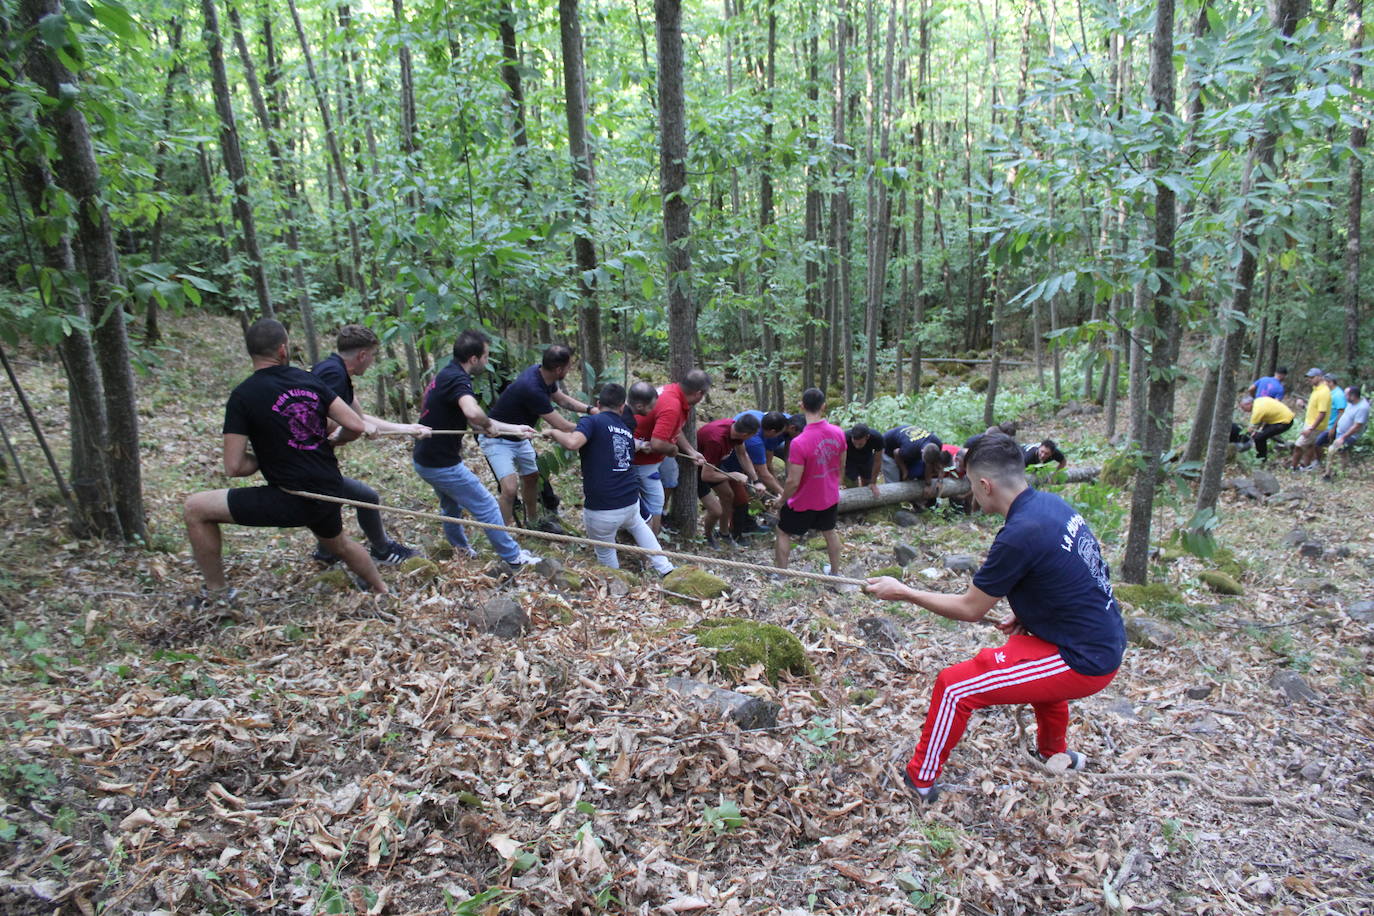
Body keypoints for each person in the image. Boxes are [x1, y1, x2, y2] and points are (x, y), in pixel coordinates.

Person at [865, 433, 1125, 803]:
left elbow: (970, 609)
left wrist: (904, 591)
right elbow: (1072, 570)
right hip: (1099, 635)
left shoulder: (1018, 534)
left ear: (985, 485)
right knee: (1039, 678)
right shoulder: (1050, 506)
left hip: (1085, 658)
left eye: (970, 484)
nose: (970, 491)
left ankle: (919, 779)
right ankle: (1053, 754)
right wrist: (1028, 611)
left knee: (955, 687)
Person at [183, 319, 388, 605]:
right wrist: (329, 442)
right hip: (328, 491)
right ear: (283, 350)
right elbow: (355, 425)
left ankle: (217, 593)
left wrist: (265, 457)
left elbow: (234, 467)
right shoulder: (310, 380)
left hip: (288, 498)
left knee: (195, 508)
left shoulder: (242, 396)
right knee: (339, 544)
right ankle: (383, 591)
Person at [412, 330, 541, 572]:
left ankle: (461, 550)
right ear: (473, 359)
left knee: (450, 507)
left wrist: (514, 429)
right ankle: (513, 557)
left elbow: (475, 420)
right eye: (486, 356)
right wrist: (488, 424)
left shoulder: (447, 374)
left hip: (427, 458)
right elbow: (474, 414)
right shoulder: (459, 380)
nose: (487, 361)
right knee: (487, 506)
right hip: (441, 463)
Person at [309, 324, 428, 567]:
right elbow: (326, 419)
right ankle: (377, 552)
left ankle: (328, 553)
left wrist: (407, 429)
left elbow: (359, 418)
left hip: (317, 460)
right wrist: (345, 433)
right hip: (310, 462)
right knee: (360, 497)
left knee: (344, 500)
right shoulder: (334, 375)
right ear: (362, 355)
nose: (372, 361)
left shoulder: (335, 370)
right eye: (372, 356)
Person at [546, 383, 674, 576]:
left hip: (602, 508)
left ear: (598, 403)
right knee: (639, 526)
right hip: (630, 501)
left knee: (605, 551)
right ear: (622, 407)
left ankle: (616, 581)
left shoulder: (592, 421)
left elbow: (573, 442)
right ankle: (665, 568)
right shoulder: (625, 428)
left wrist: (554, 432)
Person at [481, 344, 596, 526]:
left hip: (521, 436)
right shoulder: (532, 388)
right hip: (498, 438)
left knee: (531, 478)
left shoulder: (542, 374)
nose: (571, 369)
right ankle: (503, 532)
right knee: (510, 489)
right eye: (569, 366)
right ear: (559, 369)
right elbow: (563, 426)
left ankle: (532, 523)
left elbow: (561, 399)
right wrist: (596, 427)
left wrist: (590, 410)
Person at [775, 388, 845, 575]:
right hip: (829, 496)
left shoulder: (800, 442)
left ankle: (781, 574)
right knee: (829, 531)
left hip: (803, 501)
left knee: (783, 531)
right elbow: (841, 466)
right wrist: (834, 484)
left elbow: (793, 481)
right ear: (824, 406)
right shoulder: (839, 433)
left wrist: (782, 500)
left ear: (801, 406)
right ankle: (835, 573)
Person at [631, 369, 711, 533]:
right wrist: (672, 448)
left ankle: (654, 522)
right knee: (655, 502)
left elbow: (670, 427)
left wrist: (690, 451)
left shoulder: (672, 391)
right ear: (699, 394)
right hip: (642, 458)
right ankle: (651, 545)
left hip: (655, 454)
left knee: (669, 480)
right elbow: (659, 443)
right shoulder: (672, 405)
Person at [695, 413, 767, 544]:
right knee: (716, 511)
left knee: (728, 496)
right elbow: (706, 475)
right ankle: (708, 536)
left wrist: (756, 481)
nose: (754, 437)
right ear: (746, 434)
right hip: (697, 471)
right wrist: (734, 475)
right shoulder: (716, 441)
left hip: (714, 464)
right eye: (753, 434)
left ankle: (724, 533)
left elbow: (742, 454)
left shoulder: (735, 429)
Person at [1323, 385, 1369, 480]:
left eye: (1346, 395)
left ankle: (1327, 474)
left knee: (1332, 450)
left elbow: (1357, 426)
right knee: (1342, 453)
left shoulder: (1362, 407)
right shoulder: (1350, 403)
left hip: (1350, 435)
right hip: (1341, 431)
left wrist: (1343, 438)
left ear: (1353, 396)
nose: (1344, 396)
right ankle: (1342, 472)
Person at [1290, 368, 1331, 471]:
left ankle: (1293, 468)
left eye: (1312, 377)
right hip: (1310, 423)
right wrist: (1303, 405)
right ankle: (1306, 466)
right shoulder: (1316, 390)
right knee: (1309, 446)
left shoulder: (1323, 392)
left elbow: (1322, 413)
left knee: (1298, 445)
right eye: (1309, 378)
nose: (1310, 380)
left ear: (1320, 377)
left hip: (1315, 426)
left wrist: (1311, 428)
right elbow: (1314, 409)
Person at [1239, 394, 1294, 461]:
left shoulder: (1257, 411)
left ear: (1248, 404)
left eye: (1243, 407)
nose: (1243, 410)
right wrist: (1256, 431)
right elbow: (1264, 417)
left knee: (1259, 438)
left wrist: (1244, 440)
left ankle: (1261, 458)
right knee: (1264, 433)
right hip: (1283, 417)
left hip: (1284, 422)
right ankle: (1284, 444)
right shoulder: (1258, 401)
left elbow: (1250, 429)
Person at [844, 423, 883, 498]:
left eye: (860, 444)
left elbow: (878, 461)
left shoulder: (877, 438)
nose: (857, 446)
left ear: (867, 437)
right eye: (855, 443)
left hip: (867, 458)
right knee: (851, 484)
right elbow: (840, 461)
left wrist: (873, 482)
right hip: (849, 460)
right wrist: (841, 482)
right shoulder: (844, 437)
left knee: (868, 483)